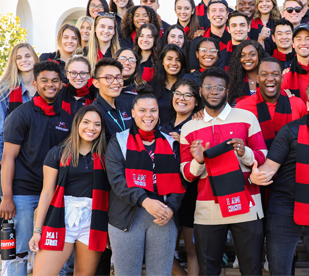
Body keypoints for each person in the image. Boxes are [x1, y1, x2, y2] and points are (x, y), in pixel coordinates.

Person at [251, 78, 309, 276]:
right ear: (308, 105)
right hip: (285, 210)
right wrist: (257, 177)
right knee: (280, 271)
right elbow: (269, 167)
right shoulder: (290, 131)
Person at [180, 67, 267, 276]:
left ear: (227, 91)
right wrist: (198, 161)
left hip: (247, 205)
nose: (213, 91)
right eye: (208, 87)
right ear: (200, 91)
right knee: (208, 271)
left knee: (252, 269)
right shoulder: (189, 127)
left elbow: (263, 154)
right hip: (207, 211)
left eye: (219, 87)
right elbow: (186, 173)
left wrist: (244, 152)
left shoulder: (246, 117)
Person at [1, 61, 72, 276]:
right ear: (35, 83)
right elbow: (8, 158)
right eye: (44, 81)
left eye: (54, 81)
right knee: (19, 250)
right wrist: (7, 196)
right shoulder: (21, 114)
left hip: (53, 192)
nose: (50, 84)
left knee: (51, 247)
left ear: (61, 84)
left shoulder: (67, 118)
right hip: (23, 191)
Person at [105, 84, 186, 276]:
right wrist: (145, 201)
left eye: (153, 110)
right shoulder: (119, 140)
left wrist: (171, 208)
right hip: (126, 216)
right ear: (133, 113)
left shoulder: (172, 142)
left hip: (163, 216)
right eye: (142, 110)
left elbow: (181, 180)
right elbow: (117, 180)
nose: (148, 115)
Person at [28, 105, 108, 276]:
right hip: (61, 215)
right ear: (77, 123)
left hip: (92, 220)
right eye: (86, 122)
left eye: (97, 124)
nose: (91, 128)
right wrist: (37, 231)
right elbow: (47, 193)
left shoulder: (105, 155)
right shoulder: (58, 153)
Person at [160, 79, 203, 276]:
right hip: (166, 194)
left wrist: (184, 141)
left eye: (188, 95)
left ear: (196, 101)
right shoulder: (162, 126)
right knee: (165, 252)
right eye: (178, 93)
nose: (181, 98)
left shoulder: (198, 125)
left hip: (191, 194)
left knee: (193, 250)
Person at [235, 57, 308, 147]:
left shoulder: (297, 104)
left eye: (275, 74)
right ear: (257, 79)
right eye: (264, 74)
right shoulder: (242, 108)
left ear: (282, 78)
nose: (270, 78)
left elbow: (307, 139)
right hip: (256, 159)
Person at [0, 43, 38, 164]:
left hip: (40, 154)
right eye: (19, 57)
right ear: (14, 61)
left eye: (28, 56)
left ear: (35, 58)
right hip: (13, 156)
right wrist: (2, 158)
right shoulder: (5, 90)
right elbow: (1, 128)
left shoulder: (45, 87)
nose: (24, 60)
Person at [91, 58, 133, 142]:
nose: (115, 82)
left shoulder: (126, 105)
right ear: (96, 83)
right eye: (109, 78)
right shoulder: (93, 112)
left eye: (119, 77)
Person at [188, 0, 232, 71]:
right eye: (213, 10)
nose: (218, 14)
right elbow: (193, 73)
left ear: (227, 14)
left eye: (221, 10)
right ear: (208, 15)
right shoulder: (197, 42)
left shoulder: (234, 40)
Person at [149, 44, 188, 124]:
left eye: (178, 60)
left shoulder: (188, 87)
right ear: (162, 61)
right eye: (169, 59)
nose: (174, 63)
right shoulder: (152, 87)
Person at [227, 40, 268, 105]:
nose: (247, 58)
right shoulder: (232, 82)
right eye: (243, 55)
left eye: (252, 54)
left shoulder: (268, 79)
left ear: (259, 56)